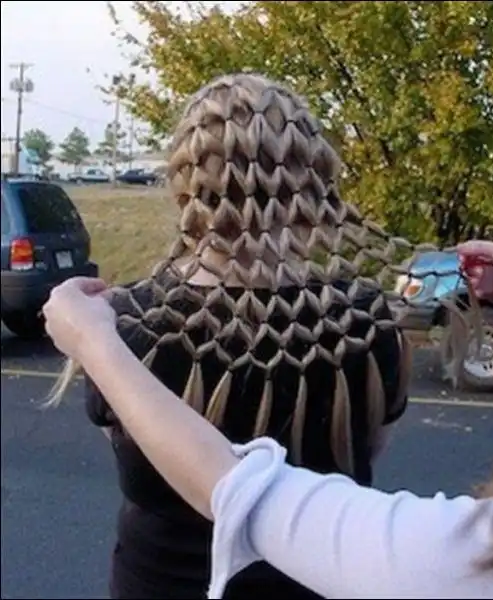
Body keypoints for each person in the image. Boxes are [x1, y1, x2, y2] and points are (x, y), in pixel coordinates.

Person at [48, 74, 413, 599]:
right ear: (311, 179)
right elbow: (370, 450)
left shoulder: (123, 325)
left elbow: (140, 447)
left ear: (186, 183)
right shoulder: (365, 322)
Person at [44, 233, 493, 600]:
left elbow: (235, 494)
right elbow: (366, 446)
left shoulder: (132, 318)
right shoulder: (363, 320)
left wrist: (95, 343)